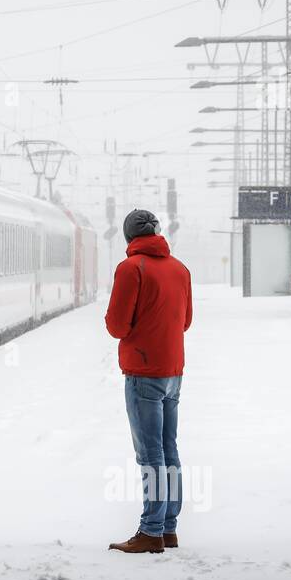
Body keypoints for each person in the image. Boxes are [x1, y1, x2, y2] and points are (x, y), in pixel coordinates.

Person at [104, 209, 193, 554]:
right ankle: (168, 528)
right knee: (169, 449)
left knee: (150, 453)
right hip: (173, 372)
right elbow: (185, 322)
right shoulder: (180, 269)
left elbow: (117, 327)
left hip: (143, 374)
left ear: (129, 238)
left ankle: (151, 530)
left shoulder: (131, 269)